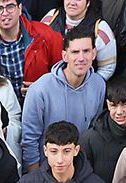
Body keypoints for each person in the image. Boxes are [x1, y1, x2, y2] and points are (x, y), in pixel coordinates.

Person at [20, 28, 105, 169]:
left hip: (80, 167)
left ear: (94, 54)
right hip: (46, 169)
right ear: (65, 56)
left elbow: (94, 131)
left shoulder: (99, 84)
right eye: (75, 52)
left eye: (86, 51)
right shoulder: (40, 89)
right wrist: (35, 178)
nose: (81, 58)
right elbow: (29, 140)